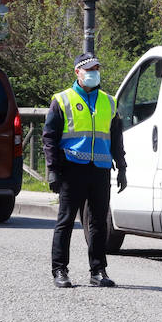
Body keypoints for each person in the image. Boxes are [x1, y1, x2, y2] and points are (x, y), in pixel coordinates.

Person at [43, 52, 127, 289]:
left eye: (96, 68)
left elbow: (116, 137)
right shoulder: (62, 100)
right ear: (77, 72)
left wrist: (122, 167)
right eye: (88, 69)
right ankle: (60, 270)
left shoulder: (108, 102)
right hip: (71, 168)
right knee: (66, 221)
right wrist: (52, 170)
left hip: (100, 168)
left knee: (99, 222)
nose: (93, 73)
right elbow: (49, 138)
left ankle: (98, 271)